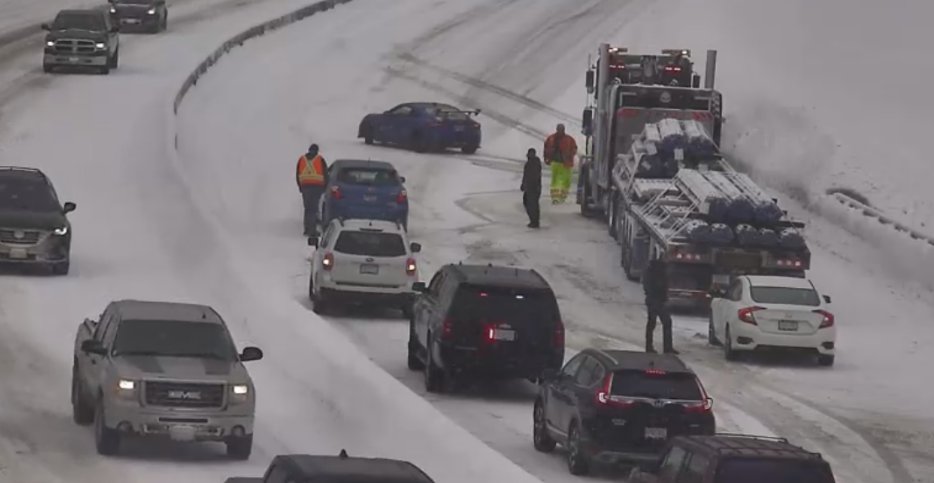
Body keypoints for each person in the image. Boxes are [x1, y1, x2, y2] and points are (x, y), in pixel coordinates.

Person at [642, 257, 677, 354]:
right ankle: (667, 348)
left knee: (651, 324)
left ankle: (649, 347)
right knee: (666, 322)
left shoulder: (650, 271)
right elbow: (661, 287)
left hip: (652, 300)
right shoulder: (660, 271)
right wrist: (663, 298)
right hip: (658, 301)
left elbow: (646, 286)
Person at [296, 143, 328, 236]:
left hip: (305, 187)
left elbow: (298, 174)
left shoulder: (302, 159)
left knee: (307, 209)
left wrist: (300, 187)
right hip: (316, 187)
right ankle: (312, 230)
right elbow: (325, 174)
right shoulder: (320, 159)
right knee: (313, 209)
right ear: (317, 151)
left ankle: (307, 229)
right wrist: (325, 187)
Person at [543, 123, 578, 204]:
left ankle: (557, 197)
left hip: (559, 163)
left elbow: (546, 149)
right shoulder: (568, 139)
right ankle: (558, 198)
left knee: (557, 180)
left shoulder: (551, 138)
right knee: (561, 180)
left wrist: (546, 158)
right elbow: (574, 149)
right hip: (562, 163)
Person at [520, 148, 542, 228]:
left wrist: (526, 185)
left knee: (532, 205)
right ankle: (533, 220)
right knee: (529, 203)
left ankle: (534, 221)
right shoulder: (530, 163)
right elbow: (526, 175)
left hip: (533, 188)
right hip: (531, 187)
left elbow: (532, 176)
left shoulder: (533, 163)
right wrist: (523, 184)